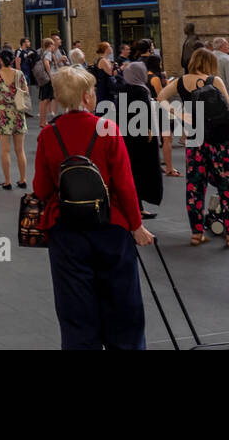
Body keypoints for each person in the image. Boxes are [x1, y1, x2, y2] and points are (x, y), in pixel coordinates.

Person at [34, 66, 153, 350]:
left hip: (66, 230)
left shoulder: (49, 135)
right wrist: (136, 225)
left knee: (75, 312)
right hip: (110, 226)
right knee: (123, 308)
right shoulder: (107, 129)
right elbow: (125, 185)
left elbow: (41, 189)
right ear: (88, 97)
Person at [155, 48, 229, 248]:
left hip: (195, 140)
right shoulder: (214, 81)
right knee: (227, 188)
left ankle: (196, 233)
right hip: (220, 142)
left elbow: (160, 98)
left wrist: (180, 115)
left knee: (195, 187)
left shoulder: (181, 82)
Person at [117, 61, 163, 218]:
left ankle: (137, 206)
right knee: (142, 172)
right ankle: (138, 207)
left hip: (126, 136)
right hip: (142, 138)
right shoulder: (141, 90)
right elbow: (146, 113)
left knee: (131, 171)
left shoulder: (123, 89)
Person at [0, 48, 30, 190]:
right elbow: (26, 92)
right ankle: (23, 179)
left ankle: (7, 181)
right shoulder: (19, 74)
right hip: (18, 113)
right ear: (13, 60)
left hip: (3, 114)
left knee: (5, 150)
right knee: (20, 150)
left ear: (0, 60)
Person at [145, 53, 179, 177]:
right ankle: (169, 168)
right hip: (159, 110)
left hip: (149, 108)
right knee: (167, 138)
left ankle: (157, 166)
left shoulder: (145, 75)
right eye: (160, 63)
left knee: (153, 139)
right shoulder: (155, 78)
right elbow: (161, 96)